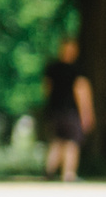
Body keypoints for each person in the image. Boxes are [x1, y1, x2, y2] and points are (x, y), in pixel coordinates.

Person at [40, 38, 95, 182]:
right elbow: (81, 92)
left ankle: (49, 172)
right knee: (72, 142)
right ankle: (68, 174)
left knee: (57, 141)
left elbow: (47, 89)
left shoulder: (52, 69)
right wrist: (86, 114)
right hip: (71, 111)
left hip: (54, 111)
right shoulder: (77, 70)